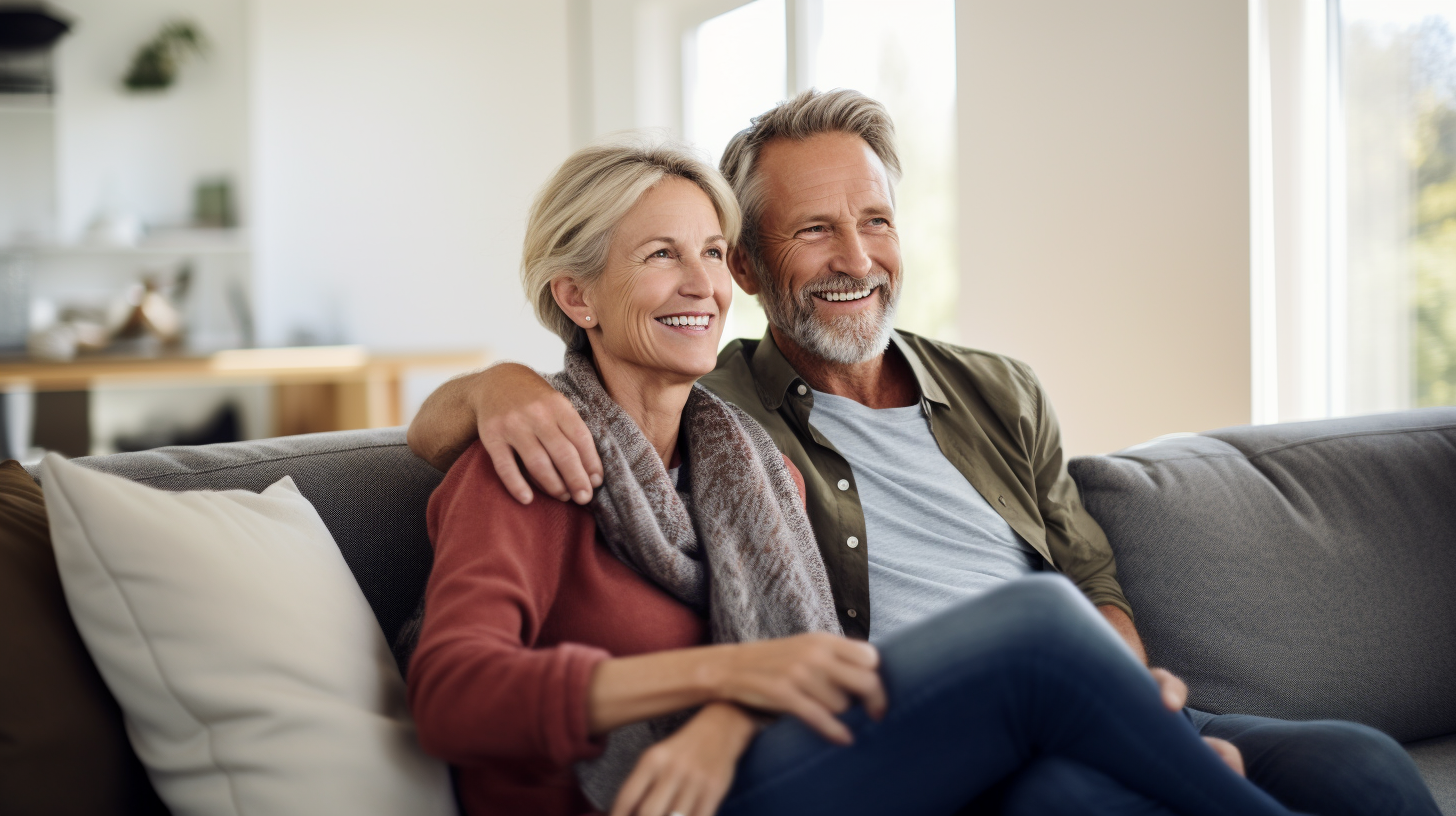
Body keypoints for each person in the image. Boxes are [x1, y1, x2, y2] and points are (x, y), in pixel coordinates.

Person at [407, 90, 1440, 816]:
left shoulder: (726, 459)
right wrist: (493, 386)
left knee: (1351, 765)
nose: (854, 259)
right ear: (762, 278)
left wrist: (1134, 700)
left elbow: (1084, 575)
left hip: (1032, 713)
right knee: (1043, 664)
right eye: (812, 232)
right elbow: (464, 665)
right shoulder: (618, 431)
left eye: (706, 253)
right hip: (867, 746)